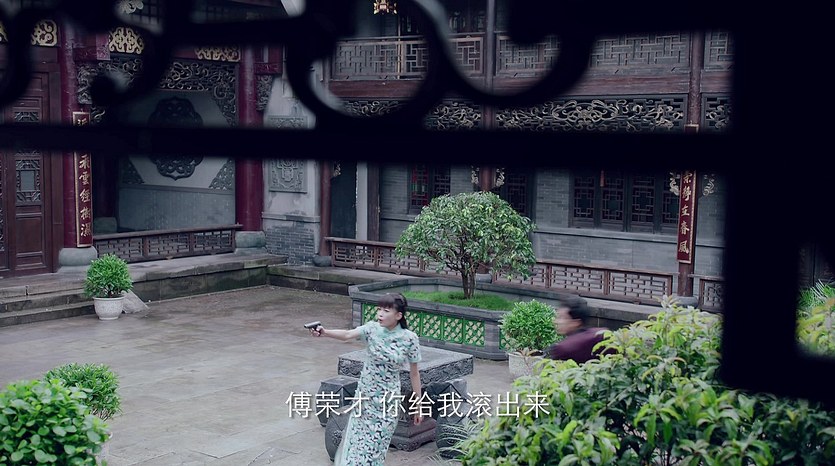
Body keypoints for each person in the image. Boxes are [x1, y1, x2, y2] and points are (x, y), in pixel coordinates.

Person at [308, 292, 423, 465]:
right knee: (356, 448)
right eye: (379, 309)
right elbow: (347, 335)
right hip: (365, 400)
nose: (380, 314)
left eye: (386, 311)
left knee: (376, 450)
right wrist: (325, 332)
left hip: (387, 403)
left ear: (398, 315)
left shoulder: (410, 339)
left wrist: (418, 406)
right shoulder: (371, 329)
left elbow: (414, 374)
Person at [545, 299, 608, 363]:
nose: (556, 321)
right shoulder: (603, 334)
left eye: (561, 317)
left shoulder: (563, 348)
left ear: (576, 323)